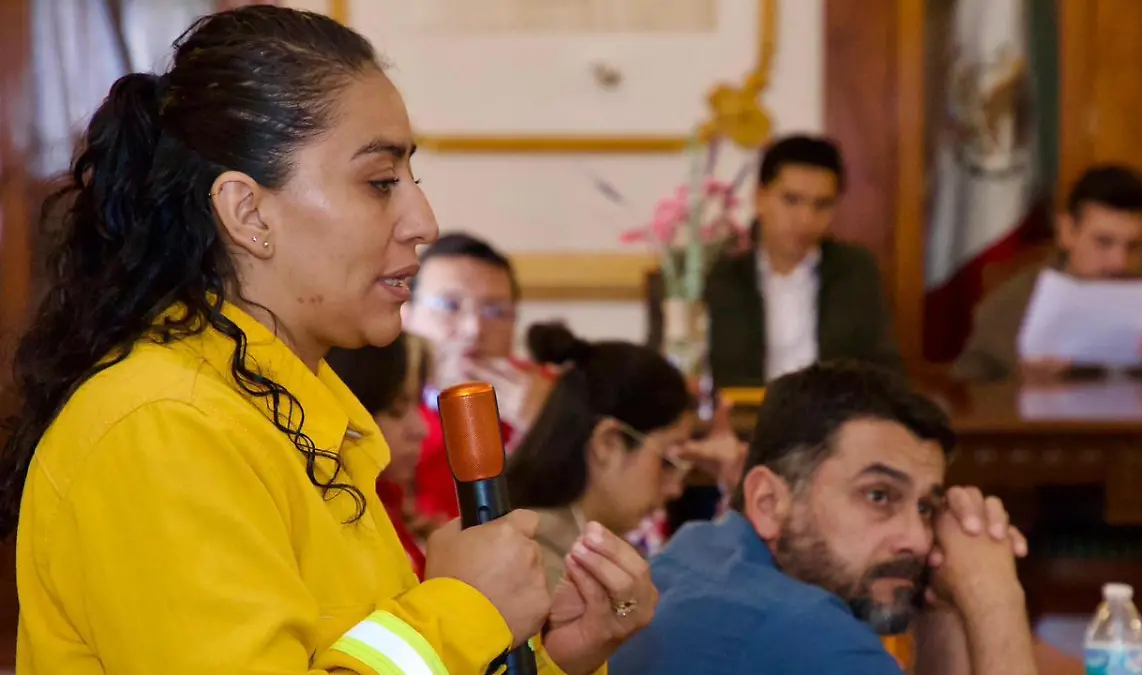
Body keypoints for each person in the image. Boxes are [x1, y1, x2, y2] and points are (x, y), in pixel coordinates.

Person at [0, 7, 654, 673]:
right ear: (248, 212)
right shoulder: (162, 427)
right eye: (379, 183)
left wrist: (553, 660)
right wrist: (463, 607)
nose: (422, 220)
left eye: (412, 180)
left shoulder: (300, 410)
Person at [610, 361, 1037, 675]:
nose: (919, 540)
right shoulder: (806, 632)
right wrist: (995, 595)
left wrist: (941, 606)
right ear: (767, 502)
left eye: (925, 508)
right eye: (878, 495)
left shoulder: (694, 553)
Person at [954, 164, 1142, 382]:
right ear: (1067, 232)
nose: (1119, 263)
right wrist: (1019, 384)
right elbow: (967, 389)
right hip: (1050, 431)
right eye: (1103, 242)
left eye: (1135, 246)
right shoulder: (1012, 301)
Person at [508, 323, 701, 587]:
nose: (676, 488)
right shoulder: (536, 564)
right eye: (668, 461)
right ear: (608, 443)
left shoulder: (569, 546)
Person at [704, 135, 903, 389]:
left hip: (829, 422)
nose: (806, 219)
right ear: (759, 198)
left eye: (822, 205)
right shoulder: (717, 270)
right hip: (740, 422)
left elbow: (885, 369)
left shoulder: (855, 270)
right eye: (792, 200)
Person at [402, 232, 557, 523]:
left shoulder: (547, 396)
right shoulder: (377, 403)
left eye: (496, 312)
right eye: (450, 306)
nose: (474, 329)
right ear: (405, 313)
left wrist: (547, 428)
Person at [326, 334, 431, 577]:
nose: (421, 429)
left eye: (418, 404)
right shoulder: (342, 525)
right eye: (396, 410)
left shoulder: (392, 505)